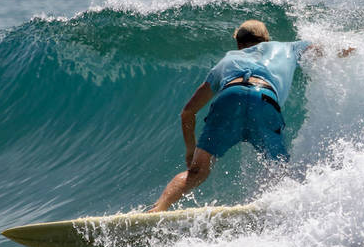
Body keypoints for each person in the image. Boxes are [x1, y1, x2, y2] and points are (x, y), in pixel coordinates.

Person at [150, 19, 351, 212]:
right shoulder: (290, 47)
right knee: (278, 170)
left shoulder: (226, 61)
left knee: (196, 173)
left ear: (238, 43)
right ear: (267, 39)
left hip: (229, 95)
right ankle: (273, 211)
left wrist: (190, 150)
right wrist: (359, 50)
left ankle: (159, 208)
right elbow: (333, 49)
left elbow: (188, 112)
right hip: (264, 98)